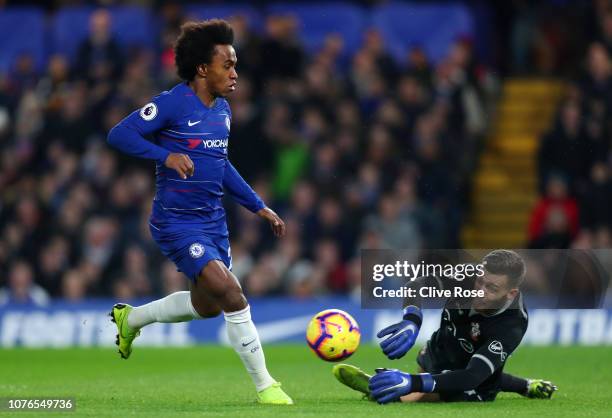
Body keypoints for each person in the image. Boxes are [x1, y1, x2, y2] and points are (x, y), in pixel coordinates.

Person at [106, 19, 293, 405]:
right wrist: (166, 155)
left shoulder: (223, 111)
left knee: (207, 306)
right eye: (228, 65)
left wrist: (259, 206)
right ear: (203, 68)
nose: (235, 73)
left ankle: (132, 319)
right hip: (175, 222)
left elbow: (221, 165)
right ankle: (267, 386)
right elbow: (119, 134)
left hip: (212, 223)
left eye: (236, 64)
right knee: (231, 293)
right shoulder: (173, 102)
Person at [333, 250, 557, 403]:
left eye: (491, 288)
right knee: (424, 374)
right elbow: (417, 283)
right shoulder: (467, 276)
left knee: (417, 395)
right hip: (440, 348)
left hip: (472, 381)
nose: (479, 290)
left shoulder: (512, 323)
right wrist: (412, 319)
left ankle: (379, 390)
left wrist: (412, 382)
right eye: (480, 281)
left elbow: (472, 375)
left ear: (511, 293)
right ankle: (526, 386)